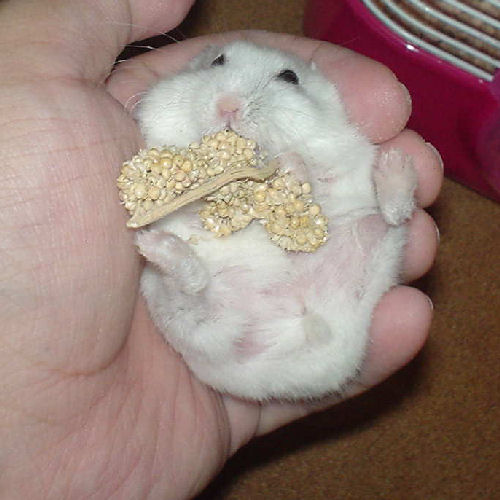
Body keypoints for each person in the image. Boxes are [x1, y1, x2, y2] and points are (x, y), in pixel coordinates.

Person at [0, 0, 441, 497]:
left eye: (285, 79)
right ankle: (191, 282)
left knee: (369, 223)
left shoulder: (337, 141)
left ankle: (393, 207)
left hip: (322, 330)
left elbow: (343, 185)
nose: (232, 102)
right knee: (172, 263)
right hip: (233, 339)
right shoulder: (162, 136)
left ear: (320, 93)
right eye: (218, 64)